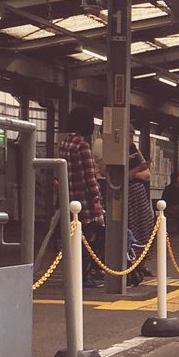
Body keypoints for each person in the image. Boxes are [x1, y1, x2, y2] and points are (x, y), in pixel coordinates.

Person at [59, 105, 105, 287]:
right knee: (91, 238)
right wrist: (96, 200)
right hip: (84, 203)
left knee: (73, 239)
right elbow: (90, 176)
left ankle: (75, 275)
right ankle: (84, 276)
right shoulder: (82, 145)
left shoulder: (64, 144)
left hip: (68, 200)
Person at [127, 130, 155, 278]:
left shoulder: (136, 152)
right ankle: (131, 264)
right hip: (128, 195)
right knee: (131, 229)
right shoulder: (117, 153)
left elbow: (147, 174)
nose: (131, 139)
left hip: (140, 194)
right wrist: (137, 171)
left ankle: (142, 263)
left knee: (145, 228)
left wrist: (134, 174)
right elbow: (121, 175)